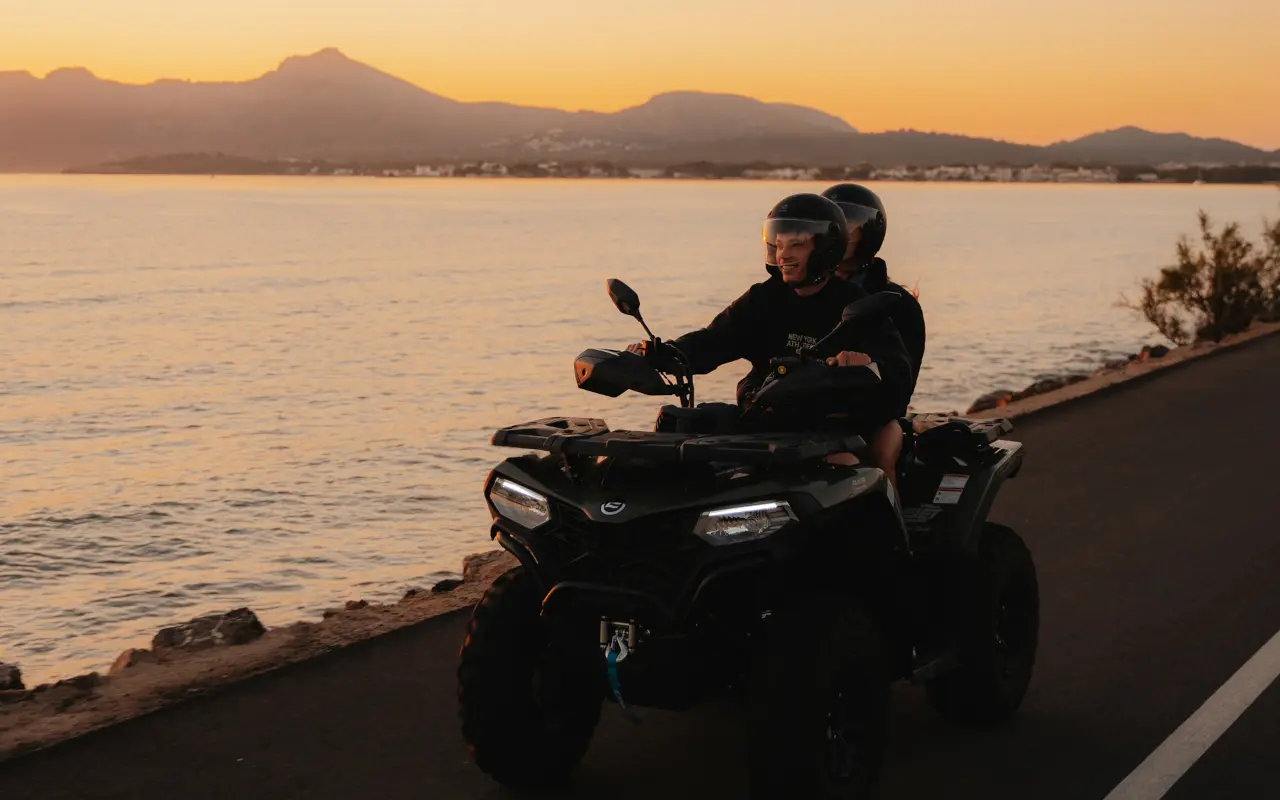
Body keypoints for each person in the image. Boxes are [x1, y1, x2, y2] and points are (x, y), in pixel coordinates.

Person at [629, 193, 913, 493]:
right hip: (765, 419)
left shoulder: (856, 306)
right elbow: (712, 340)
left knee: (843, 469)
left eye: (796, 245)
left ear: (825, 247)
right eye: (778, 244)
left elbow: (898, 372)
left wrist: (867, 366)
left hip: (830, 426)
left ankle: (883, 538)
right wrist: (657, 354)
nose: (783, 255)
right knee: (679, 428)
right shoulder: (764, 299)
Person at [821, 183, 926, 391]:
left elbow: (901, 385)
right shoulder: (798, 290)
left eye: (847, 222)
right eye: (829, 223)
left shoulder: (899, 304)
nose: (838, 232)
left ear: (868, 231)